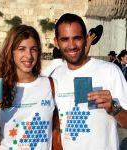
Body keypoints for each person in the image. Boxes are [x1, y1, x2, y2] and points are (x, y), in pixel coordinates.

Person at [0, 25, 62, 150]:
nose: (29, 56)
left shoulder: (50, 85)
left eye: (33, 49)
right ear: (11, 52)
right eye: (22, 49)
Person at [51, 13, 127, 150]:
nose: (72, 45)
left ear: (86, 39)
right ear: (56, 42)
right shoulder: (54, 77)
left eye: (77, 38)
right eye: (65, 39)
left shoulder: (110, 71)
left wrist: (113, 108)